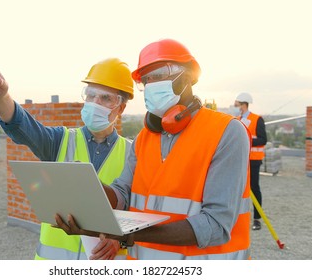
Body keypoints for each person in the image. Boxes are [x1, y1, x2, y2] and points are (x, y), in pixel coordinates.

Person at [55, 39, 252, 260]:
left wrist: (128, 234)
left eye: (157, 76)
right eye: (145, 80)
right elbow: (123, 196)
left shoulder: (226, 132)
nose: (150, 85)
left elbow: (215, 226)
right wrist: (90, 186)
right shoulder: (144, 138)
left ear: (186, 78)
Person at [0, 53, 135, 260]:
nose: (95, 102)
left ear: (121, 107)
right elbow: (23, 126)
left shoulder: (133, 154)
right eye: (91, 95)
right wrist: (0, 97)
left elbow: (139, 213)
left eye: (105, 98)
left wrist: (119, 239)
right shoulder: (60, 140)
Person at [234, 93, 268, 230]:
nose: (236, 107)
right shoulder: (237, 120)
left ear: (244, 104)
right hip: (240, 159)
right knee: (237, 190)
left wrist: (247, 140)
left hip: (253, 160)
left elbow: (263, 139)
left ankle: (257, 219)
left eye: (238, 104)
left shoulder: (257, 119)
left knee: (254, 188)